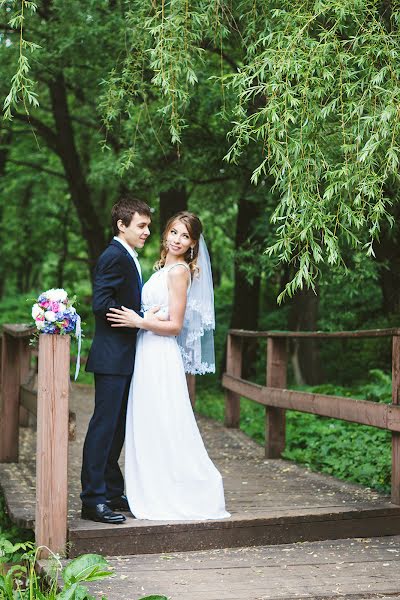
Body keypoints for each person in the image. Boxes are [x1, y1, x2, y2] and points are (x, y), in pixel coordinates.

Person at [107, 211, 230, 520]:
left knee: (163, 418)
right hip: (147, 349)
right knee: (151, 419)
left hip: (160, 352)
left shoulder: (179, 272)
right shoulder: (164, 267)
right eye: (174, 232)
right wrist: (149, 315)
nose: (177, 239)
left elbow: (175, 326)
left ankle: (176, 489)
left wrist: (140, 320)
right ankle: (151, 485)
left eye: (185, 236)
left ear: (192, 244)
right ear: (167, 234)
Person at [81, 197, 152, 524]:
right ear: (122, 225)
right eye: (141, 225)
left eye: (148, 225)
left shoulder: (128, 256)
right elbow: (101, 304)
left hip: (124, 357)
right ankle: (92, 500)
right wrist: (137, 318)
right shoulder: (114, 256)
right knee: (103, 428)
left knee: (117, 430)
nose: (147, 231)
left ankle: (110, 491)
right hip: (112, 356)